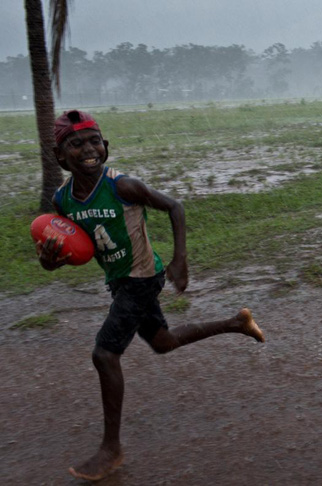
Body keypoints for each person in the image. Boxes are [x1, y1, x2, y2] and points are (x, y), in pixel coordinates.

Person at [37, 110, 265, 481]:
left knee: (105, 353)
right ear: (60, 156)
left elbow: (175, 206)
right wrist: (50, 261)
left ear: (106, 147)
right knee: (163, 341)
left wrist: (180, 261)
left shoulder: (123, 186)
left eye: (95, 140)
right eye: (76, 144)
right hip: (119, 281)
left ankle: (111, 449)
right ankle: (237, 323)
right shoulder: (63, 200)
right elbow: (77, 251)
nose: (88, 149)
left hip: (142, 278)